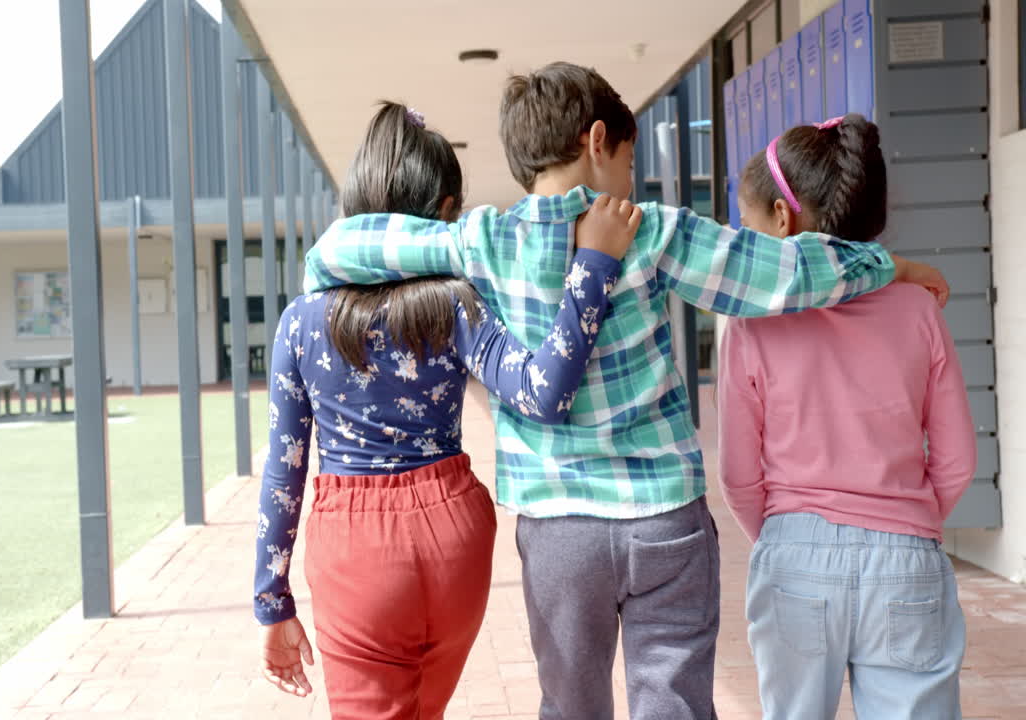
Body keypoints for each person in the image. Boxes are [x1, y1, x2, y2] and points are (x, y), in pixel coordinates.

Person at [300, 63, 951, 720]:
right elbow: (784, 273)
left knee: (571, 703)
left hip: (558, 528)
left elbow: (340, 248)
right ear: (597, 141)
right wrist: (887, 265)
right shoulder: (655, 230)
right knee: (674, 700)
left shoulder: (486, 240)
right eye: (631, 158)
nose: (633, 178)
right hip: (663, 517)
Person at [253, 101, 639, 719]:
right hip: (454, 535)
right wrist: (593, 265)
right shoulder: (458, 304)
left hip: (356, 550)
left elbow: (283, 472)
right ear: (441, 218)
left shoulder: (302, 323)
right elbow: (544, 391)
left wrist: (272, 600)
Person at [717, 114, 975, 720]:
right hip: (906, 555)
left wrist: (790, 535)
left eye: (747, 222)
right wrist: (903, 521)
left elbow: (737, 474)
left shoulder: (752, 318)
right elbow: (959, 460)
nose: (743, 234)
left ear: (782, 218)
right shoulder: (919, 307)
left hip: (794, 554)